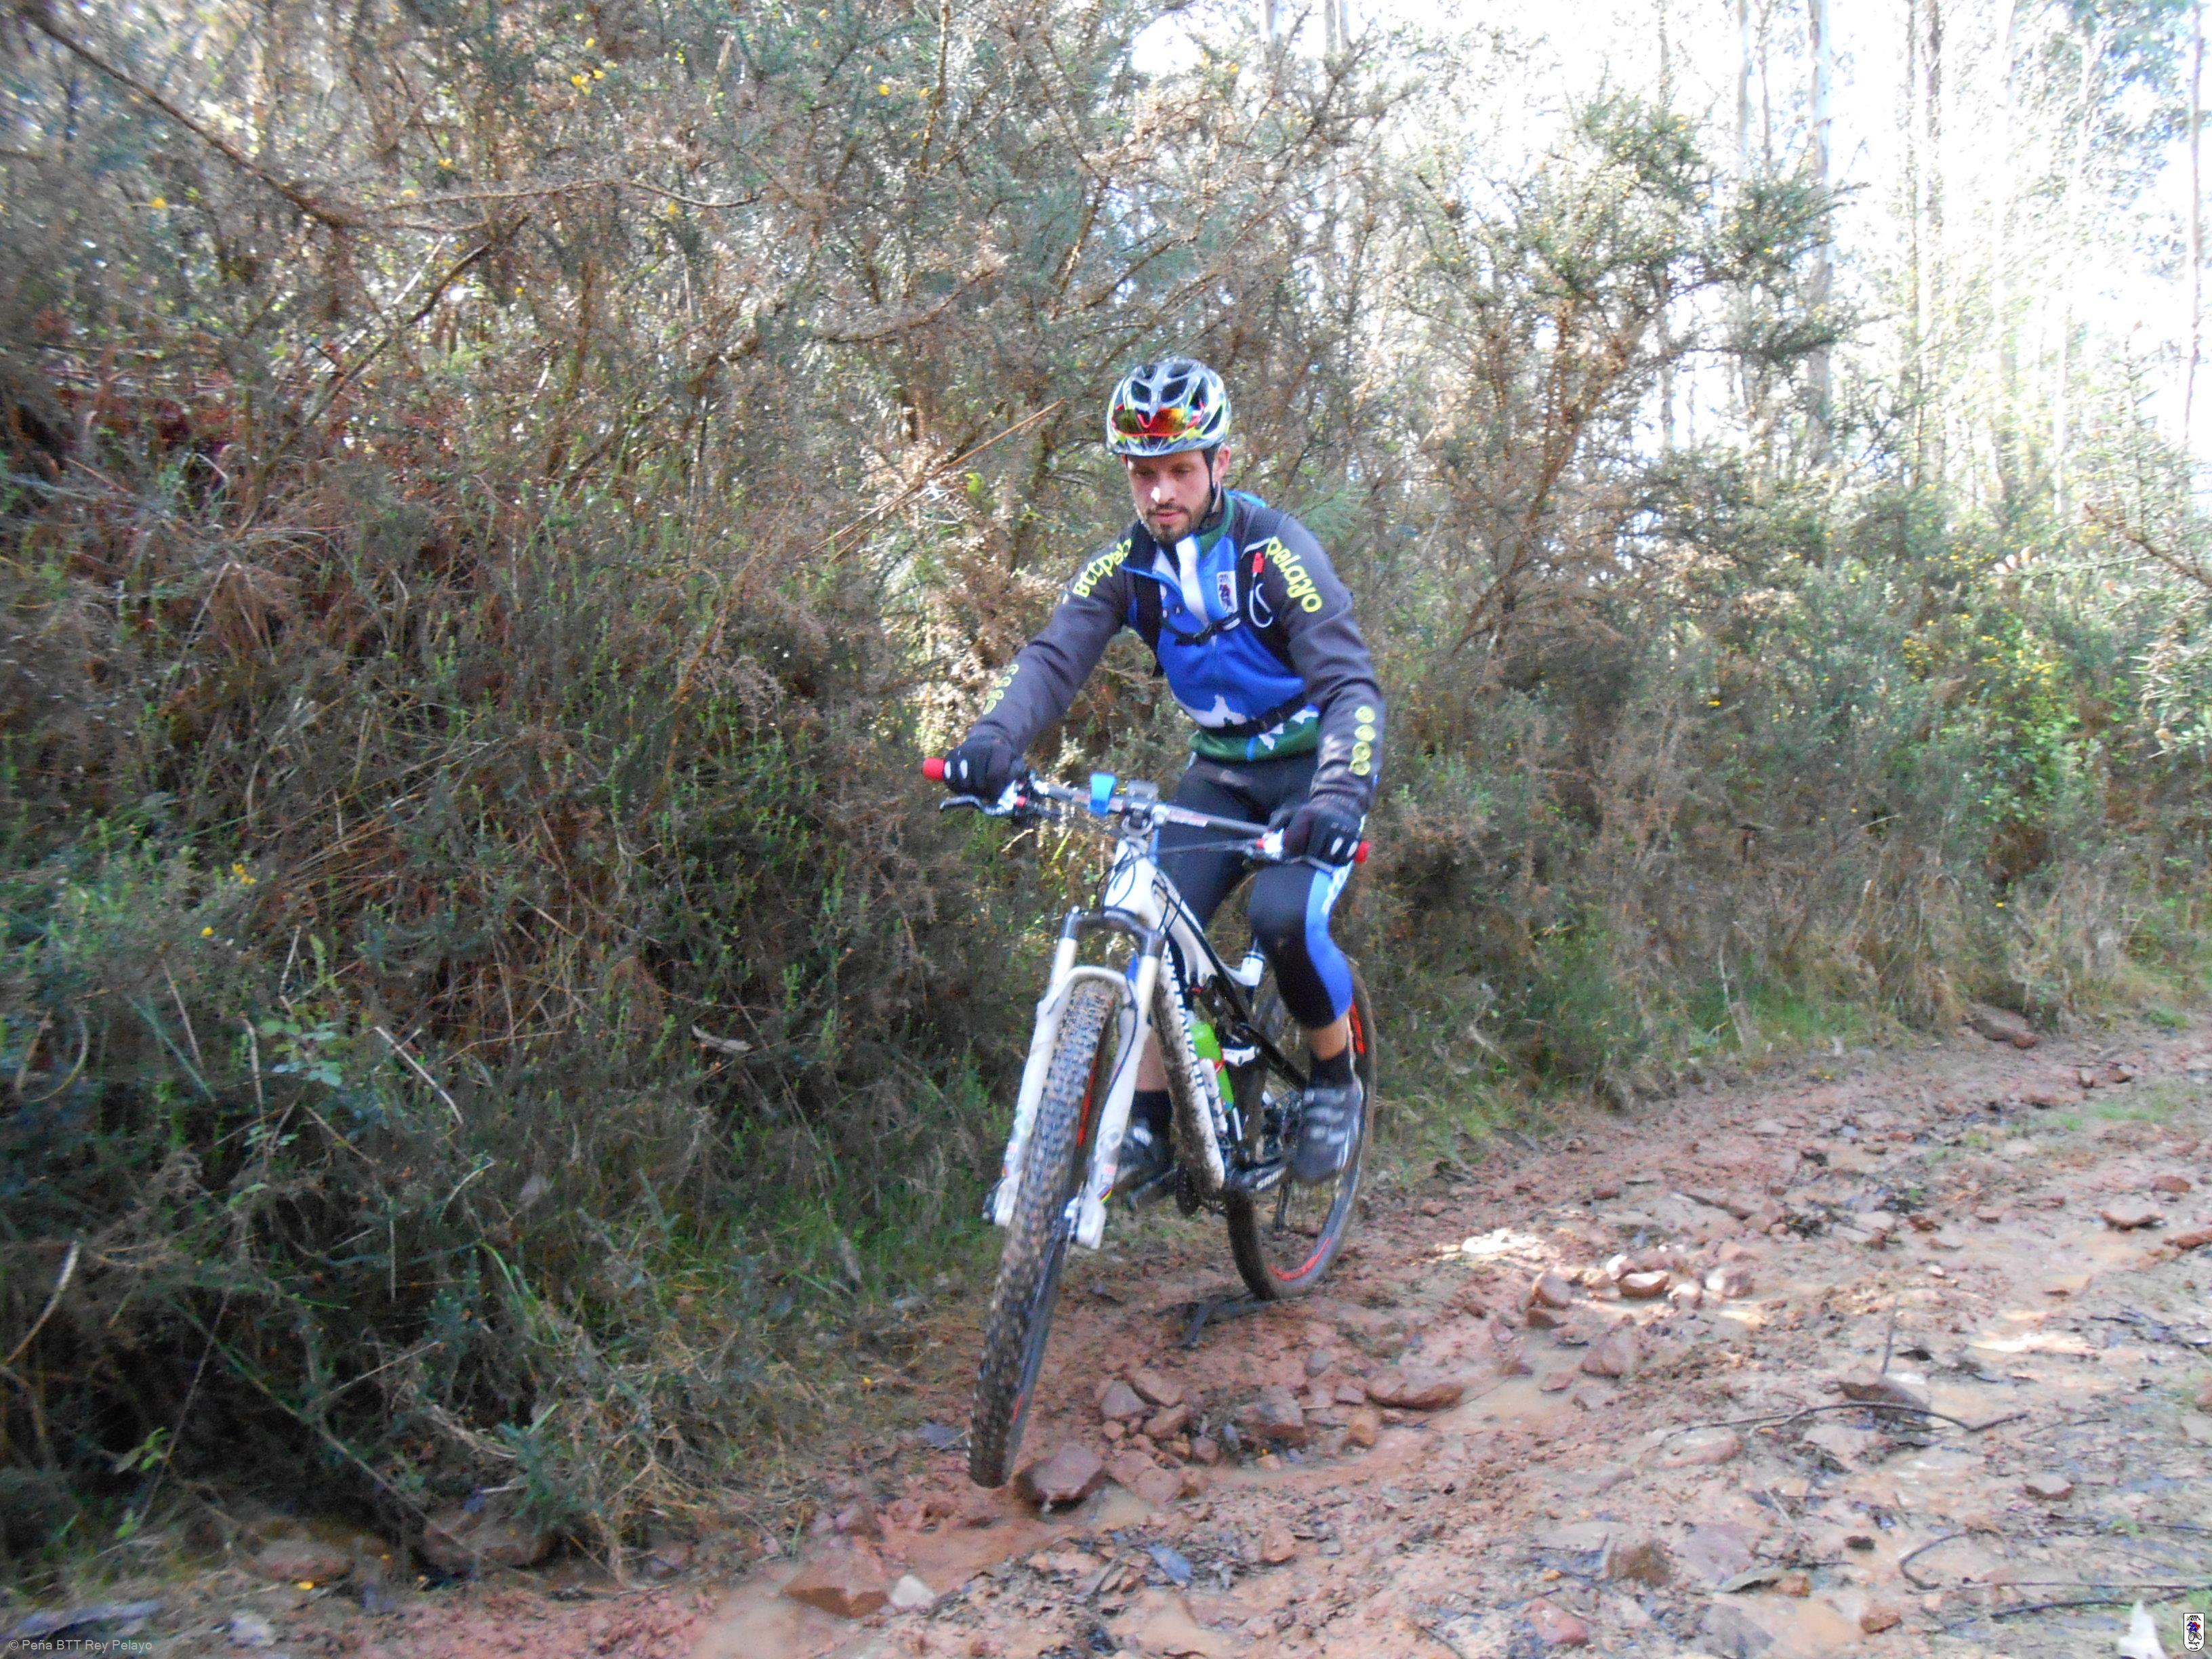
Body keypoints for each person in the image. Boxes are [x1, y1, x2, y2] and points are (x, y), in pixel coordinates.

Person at [939, 357, 1384, 1189]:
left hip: (1309, 777)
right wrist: (994, 740)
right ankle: (1145, 1122)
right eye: (1143, 474)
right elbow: (1054, 658)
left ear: (1220, 463)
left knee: (1285, 918)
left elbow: (1350, 687)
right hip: (1220, 777)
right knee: (1150, 923)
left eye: (1180, 470)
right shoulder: (1125, 566)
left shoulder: (1275, 552)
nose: (1160, 493)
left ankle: (1333, 1080)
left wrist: (1338, 795)